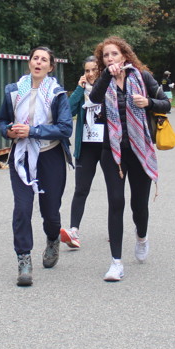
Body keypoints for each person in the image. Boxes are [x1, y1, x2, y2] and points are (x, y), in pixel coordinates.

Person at [89, 36, 170, 282]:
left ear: (124, 56)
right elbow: (94, 99)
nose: (110, 58)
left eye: (114, 54)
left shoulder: (142, 77)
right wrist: (106, 76)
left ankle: (142, 237)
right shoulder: (103, 81)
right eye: (105, 55)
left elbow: (166, 103)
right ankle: (116, 262)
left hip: (139, 150)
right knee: (116, 202)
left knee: (139, 205)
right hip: (112, 152)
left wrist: (148, 102)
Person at [0, 46, 72, 286]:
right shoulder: (13, 90)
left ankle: (53, 238)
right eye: (35, 58)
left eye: (44, 60)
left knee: (50, 212)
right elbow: (2, 120)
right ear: (29, 62)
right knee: (22, 208)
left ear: (51, 67)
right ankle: (24, 259)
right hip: (21, 156)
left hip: (50, 156)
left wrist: (33, 131)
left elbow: (65, 128)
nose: (39, 62)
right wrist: (8, 131)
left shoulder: (57, 93)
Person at [60, 56, 103, 250]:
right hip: (86, 147)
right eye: (87, 70)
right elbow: (68, 111)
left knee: (115, 190)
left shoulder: (108, 89)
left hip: (107, 147)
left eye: (94, 70)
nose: (91, 74)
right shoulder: (82, 91)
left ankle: (115, 228)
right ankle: (73, 231)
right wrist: (79, 89)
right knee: (81, 189)